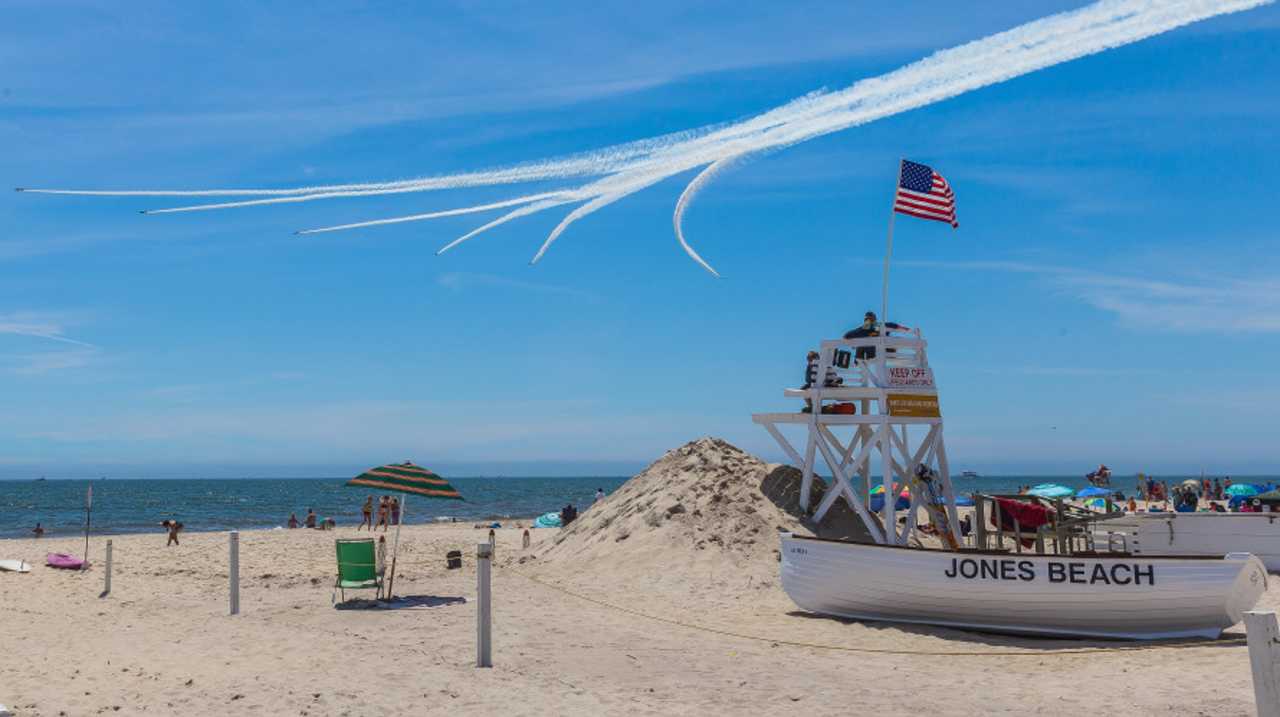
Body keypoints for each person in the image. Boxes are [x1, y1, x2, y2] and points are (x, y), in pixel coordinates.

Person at [844, 311, 910, 361]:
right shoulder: (862, 330)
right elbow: (847, 335)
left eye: (870, 320)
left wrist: (903, 328)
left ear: (874, 320)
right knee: (860, 345)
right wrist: (853, 343)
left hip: (881, 351)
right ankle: (859, 361)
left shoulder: (877, 327)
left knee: (885, 342)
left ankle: (892, 355)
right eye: (867, 320)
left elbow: (891, 325)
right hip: (870, 354)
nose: (868, 321)